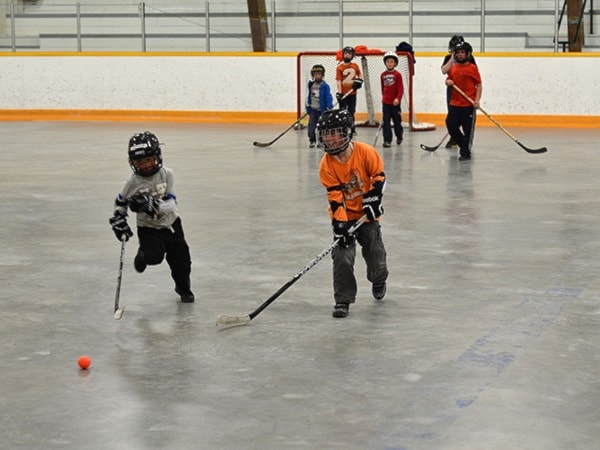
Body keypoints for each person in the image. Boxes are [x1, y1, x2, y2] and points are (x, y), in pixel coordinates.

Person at [317, 109, 389, 318]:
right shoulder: (326, 165)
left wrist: (374, 198)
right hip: (345, 218)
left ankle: (379, 278)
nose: (329, 139)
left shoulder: (366, 152)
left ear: (347, 132)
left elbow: (379, 178)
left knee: (376, 257)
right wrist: (340, 225)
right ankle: (343, 299)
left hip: (367, 217)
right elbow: (334, 196)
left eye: (334, 133)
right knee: (342, 257)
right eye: (325, 134)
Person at [109, 131, 195, 303]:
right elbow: (121, 201)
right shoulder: (132, 182)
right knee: (154, 257)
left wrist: (153, 205)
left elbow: (171, 204)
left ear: (157, 156)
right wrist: (119, 218)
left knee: (182, 262)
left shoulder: (167, 174)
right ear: (132, 163)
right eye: (140, 162)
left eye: (148, 159)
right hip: (148, 228)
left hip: (172, 224)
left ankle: (183, 287)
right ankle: (143, 255)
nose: (146, 165)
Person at [445, 41, 482, 161]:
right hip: (455, 103)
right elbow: (449, 80)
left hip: (468, 104)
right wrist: (448, 82)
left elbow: (479, 85)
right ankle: (463, 145)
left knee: (468, 131)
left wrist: (477, 100)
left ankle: (465, 153)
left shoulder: (472, 68)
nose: (460, 55)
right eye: (459, 53)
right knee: (450, 125)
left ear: (468, 54)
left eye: (463, 53)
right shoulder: (454, 67)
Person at [441, 35, 477, 148]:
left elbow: (474, 74)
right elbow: (444, 71)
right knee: (453, 117)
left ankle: (466, 143)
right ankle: (455, 138)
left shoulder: (469, 58)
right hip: (453, 91)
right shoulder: (448, 58)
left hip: (466, 91)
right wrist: (452, 57)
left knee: (466, 118)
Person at [335, 46, 363, 136]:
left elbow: (360, 74)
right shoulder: (339, 67)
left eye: (349, 54)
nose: (347, 55)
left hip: (352, 93)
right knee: (342, 112)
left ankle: (352, 127)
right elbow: (339, 81)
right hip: (344, 94)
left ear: (352, 55)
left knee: (351, 111)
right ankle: (343, 128)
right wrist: (339, 93)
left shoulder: (355, 66)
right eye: (345, 53)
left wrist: (360, 80)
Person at [380, 51, 404, 148]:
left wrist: (398, 99)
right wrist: (384, 98)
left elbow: (400, 89)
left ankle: (399, 135)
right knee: (386, 122)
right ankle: (387, 140)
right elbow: (383, 88)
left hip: (395, 104)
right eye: (388, 62)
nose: (389, 63)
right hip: (386, 103)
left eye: (392, 62)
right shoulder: (382, 75)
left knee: (397, 122)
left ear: (395, 63)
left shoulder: (398, 75)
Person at [306, 64, 334, 148]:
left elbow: (328, 96)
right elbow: (309, 96)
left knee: (322, 127)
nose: (317, 76)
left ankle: (321, 141)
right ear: (313, 75)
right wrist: (308, 107)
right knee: (311, 127)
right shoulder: (311, 85)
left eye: (319, 74)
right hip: (313, 111)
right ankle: (312, 140)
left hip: (322, 111)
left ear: (322, 75)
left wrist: (329, 105)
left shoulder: (325, 86)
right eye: (315, 74)